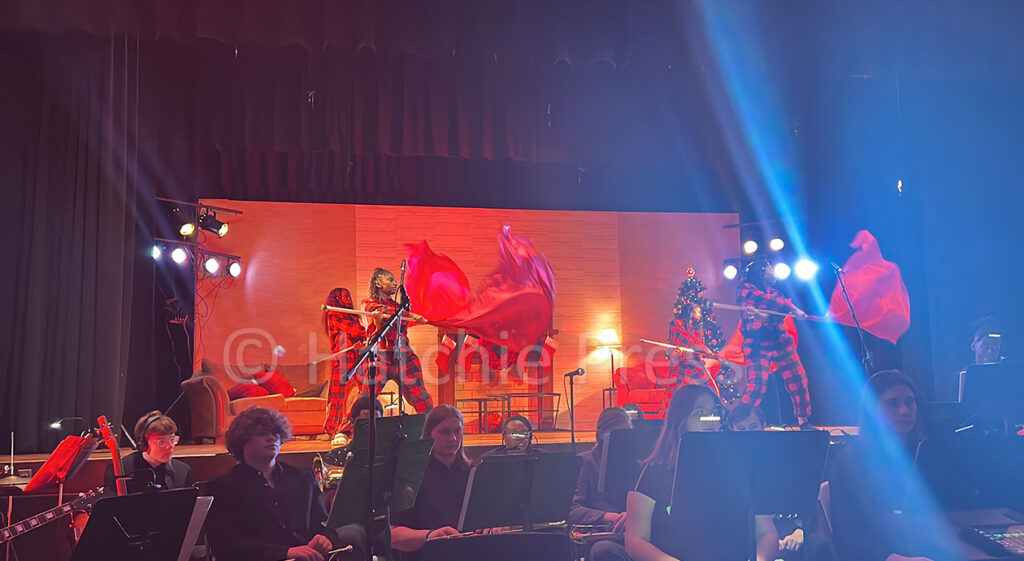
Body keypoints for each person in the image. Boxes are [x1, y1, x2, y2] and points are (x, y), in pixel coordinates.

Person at [205, 407, 350, 561]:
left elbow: (323, 523)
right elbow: (225, 545)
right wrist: (285, 553)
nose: (271, 438)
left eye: (275, 433)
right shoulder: (222, 487)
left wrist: (326, 538)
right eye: (262, 433)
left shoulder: (304, 477)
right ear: (241, 441)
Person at [828, 370, 936, 561]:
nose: (904, 411)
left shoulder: (923, 455)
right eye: (893, 404)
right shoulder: (850, 463)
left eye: (910, 402)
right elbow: (849, 536)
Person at [625, 384, 725, 561]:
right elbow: (635, 540)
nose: (709, 419)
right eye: (700, 413)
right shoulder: (656, 470)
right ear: (681, 421)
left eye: (714, 412)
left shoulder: (730, 467)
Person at [737, 258, 812, 428]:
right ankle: (740, 422)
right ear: (762, 271)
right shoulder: (745, 288)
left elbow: (778, 315)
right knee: (757, 384)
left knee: (798, 378)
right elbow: (768, 302)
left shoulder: (776, 294)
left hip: (779, 339)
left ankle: (803, 421)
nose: (773, 271)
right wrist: (793, 308)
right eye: (770, 267)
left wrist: (765, 317)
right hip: (756, 341)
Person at [390, 405, 472, 554]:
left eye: (457, 431)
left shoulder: (472, 472)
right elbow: (392, 534)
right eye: (444, 432)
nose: (453, 438)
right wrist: (429, 535)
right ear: (429, 434)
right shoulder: (413, 476)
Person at [355, 267, 433, 414]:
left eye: (395, 281)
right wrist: (411, 315)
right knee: (365, 401)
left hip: (403, 356)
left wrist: (407, 314)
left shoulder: (398, 307)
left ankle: (432, 425)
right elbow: (383, 311)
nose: (395, 283)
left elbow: (399, 323)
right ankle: (349, 427)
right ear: (378, 283)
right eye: (390, 280)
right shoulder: (368, 303)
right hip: (380, 358)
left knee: (422, 400)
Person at [570, 407, 634, 561]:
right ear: (601, 434)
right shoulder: (585, 462)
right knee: (604, 551)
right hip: (604, 537)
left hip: (636, 535)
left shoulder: (637, 464)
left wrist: (633, 515)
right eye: (619, 435)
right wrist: (608, 517)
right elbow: (573, 509)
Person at [103, 410, 194, 494]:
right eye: (161, 442)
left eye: (172, 440)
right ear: (143, 444)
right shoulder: (120, 470)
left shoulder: (183, 472)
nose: (170, 446)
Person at [323, 287, 367, 440]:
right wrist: (371, 330)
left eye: (349, 296)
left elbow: (358, 334)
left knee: (366, 391)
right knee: (337, 398)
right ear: (337, 299)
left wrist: (363, 338)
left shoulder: (351, 315)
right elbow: (354, 330)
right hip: (342, 361)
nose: (348, 299)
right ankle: (331, 430)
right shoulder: (334, 314)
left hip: (357, 358)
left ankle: (349, 426)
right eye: (344, 297)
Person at [663, 302, 718, 413]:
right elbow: (684, 339)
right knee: (674, 393)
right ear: (691, 311)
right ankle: (667, 417)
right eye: (698, 312)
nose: (700, 315)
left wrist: (704, 352)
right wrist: (703, 348)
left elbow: (699, 346)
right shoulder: (676, 323)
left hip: (695, 363)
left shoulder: (698, 329)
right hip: (680, 363)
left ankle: (716, 411)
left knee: (711, 389)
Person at [954, 317, 1003, 401]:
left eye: (995, 348)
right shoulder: (959, 378)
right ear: (973, 346)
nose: (990, 352)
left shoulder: (1004, 377)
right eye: (985, 347)